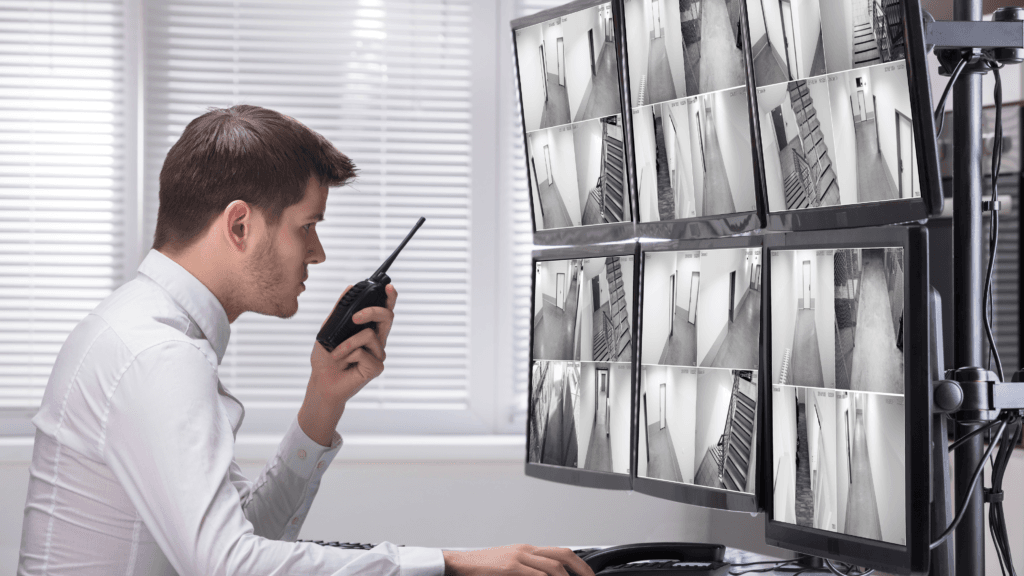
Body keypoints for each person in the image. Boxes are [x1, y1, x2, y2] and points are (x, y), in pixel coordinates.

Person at [17, 105, 596, 576]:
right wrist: (448, 564)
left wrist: (323, 403)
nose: (317, 253)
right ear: (240, 226)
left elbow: (243, 539)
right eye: (307, 226)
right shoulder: (158, 356)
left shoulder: (142, 330)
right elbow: (233, 566)